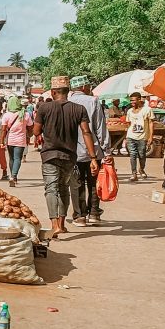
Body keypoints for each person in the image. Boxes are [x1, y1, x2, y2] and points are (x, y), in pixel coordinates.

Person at [33, 76, 98, 238]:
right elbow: (86, 132)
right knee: (63, 189)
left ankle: (54, 225)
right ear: (68, 92)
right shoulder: (79, 109)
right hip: (70, 156)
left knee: (51, 189)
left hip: (49, 155)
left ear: (53, 92)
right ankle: (61, 224)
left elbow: (35, 132)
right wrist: (93, 158)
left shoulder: (44, 108)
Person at [69, 76, 110, 226]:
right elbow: (100, 128)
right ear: (84, 87)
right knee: (93, 183)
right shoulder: (93, 101)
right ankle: (94, 213)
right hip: (95, 150)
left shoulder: (69, 102)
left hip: (74, 151)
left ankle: (80, 216)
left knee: (76, 183)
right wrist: (107, 150)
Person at [0, 95, 32, 187]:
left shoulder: (6, 115)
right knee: (18, 158)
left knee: (11, 158)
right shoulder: (25, 114)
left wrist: (2, 141)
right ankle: (14, 176)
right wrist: (29, 135)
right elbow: (30, 127)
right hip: (21, 140)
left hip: (10, 140)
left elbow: (3, 130)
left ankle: (13, 176)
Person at [124, 91, 154, 181]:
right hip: (131, 136)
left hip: (142, 137)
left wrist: (151, 136)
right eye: (131, 101)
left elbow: (151, 123)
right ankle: (134, 173)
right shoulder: (129, 111)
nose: (132, 102)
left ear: (139, 99)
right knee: (132, 155)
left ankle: (141, 169)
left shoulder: (147, 110)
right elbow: (128, 124)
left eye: (134, 100)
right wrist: (126, 136)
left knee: (142, 155)